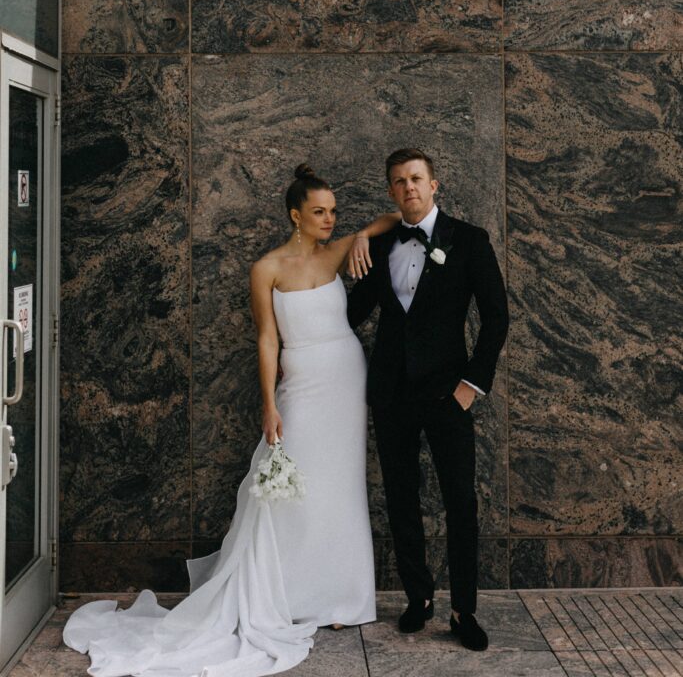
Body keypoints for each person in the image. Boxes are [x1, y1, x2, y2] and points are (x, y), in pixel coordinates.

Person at [63, 164, 400, 677]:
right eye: (319, 212)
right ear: (295, 215)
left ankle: (339, 598)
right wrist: (270, 403)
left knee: (340, 484)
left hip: (347, 380)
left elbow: (395, 215)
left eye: (333, 212)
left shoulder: (338, 251)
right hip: (302, 384)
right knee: (289, 486)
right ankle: (286, 591)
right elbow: (268, 339)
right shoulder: (266, 269)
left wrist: (360, 239)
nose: (330, 220)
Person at [347, 148, 509, 652]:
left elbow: (497, 318)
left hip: (448, 394)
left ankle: (464, 610)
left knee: (460, 501)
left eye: (416, 178)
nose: (408, 187)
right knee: (401, 498)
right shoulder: (380, 244)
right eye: (398, 182)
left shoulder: (470, 241)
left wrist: (470, 387)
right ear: (391, 192)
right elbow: (352, 311)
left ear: (434, 185)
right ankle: (418, 599)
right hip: (392, 393)